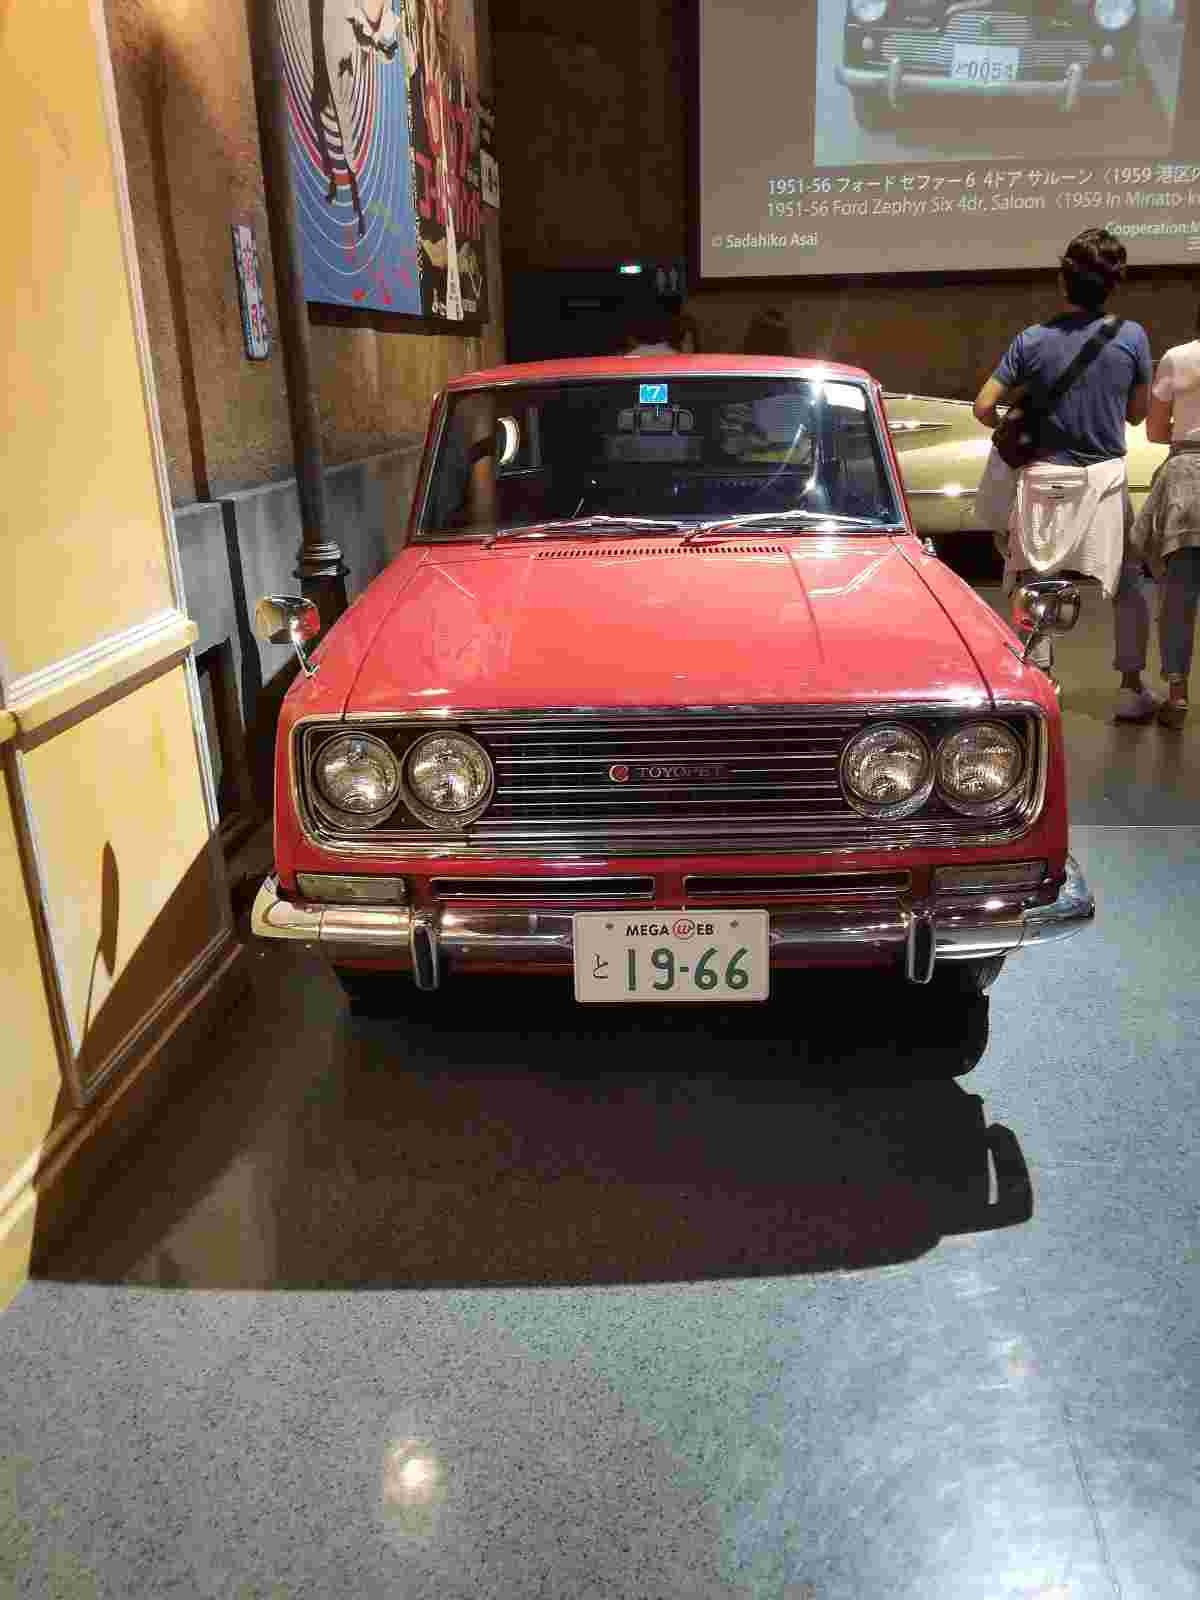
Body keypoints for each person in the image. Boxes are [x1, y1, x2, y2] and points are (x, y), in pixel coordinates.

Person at [973, 229, 1153, 715]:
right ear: (1113, 284)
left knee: (1034, 583)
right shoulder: (1131, 337)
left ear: (1063, 280)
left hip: (1044, 480)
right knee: (1128, 583)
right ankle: (1130, 688)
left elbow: (984, 406)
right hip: (1105, 482)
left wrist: (1016, 422)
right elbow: (1137, 414)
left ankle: (1039, 681)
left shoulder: (1031, 339)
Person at [1127, 304, 1200, 728]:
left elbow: (1154, 431)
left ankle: (1177, 695)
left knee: (1179, 596)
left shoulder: (1178, 357)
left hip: (1187, 479)